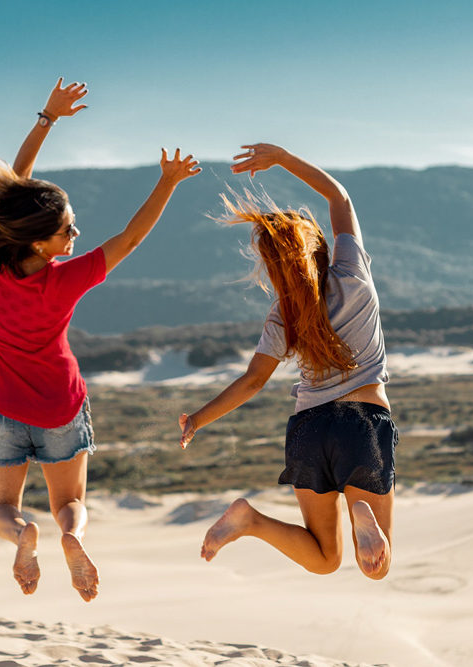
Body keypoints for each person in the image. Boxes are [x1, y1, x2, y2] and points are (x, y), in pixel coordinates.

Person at [0, 78, 200, 602]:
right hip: (61, 407)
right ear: (41, 242)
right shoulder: (66, 278)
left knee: (0, 508)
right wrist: (168, 183)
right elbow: (130, 237)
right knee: (70, 503)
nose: (75, 237)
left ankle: (23, 535)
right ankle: (70, 537)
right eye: (68, 231)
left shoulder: (0, 263)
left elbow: (13, 186)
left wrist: (47, 117)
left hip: (2, 408)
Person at [178, 143, 395, 580]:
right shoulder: (351, 273)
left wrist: (198, 419)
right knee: (375, 568)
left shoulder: (283, 314)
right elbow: (339, 198)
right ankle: (362, 513)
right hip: (364, 423)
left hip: (308, 429)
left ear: (274, 270)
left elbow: (253, 381)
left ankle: (250, 520)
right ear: (317, 246)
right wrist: (281, 158)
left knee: (324, 558)